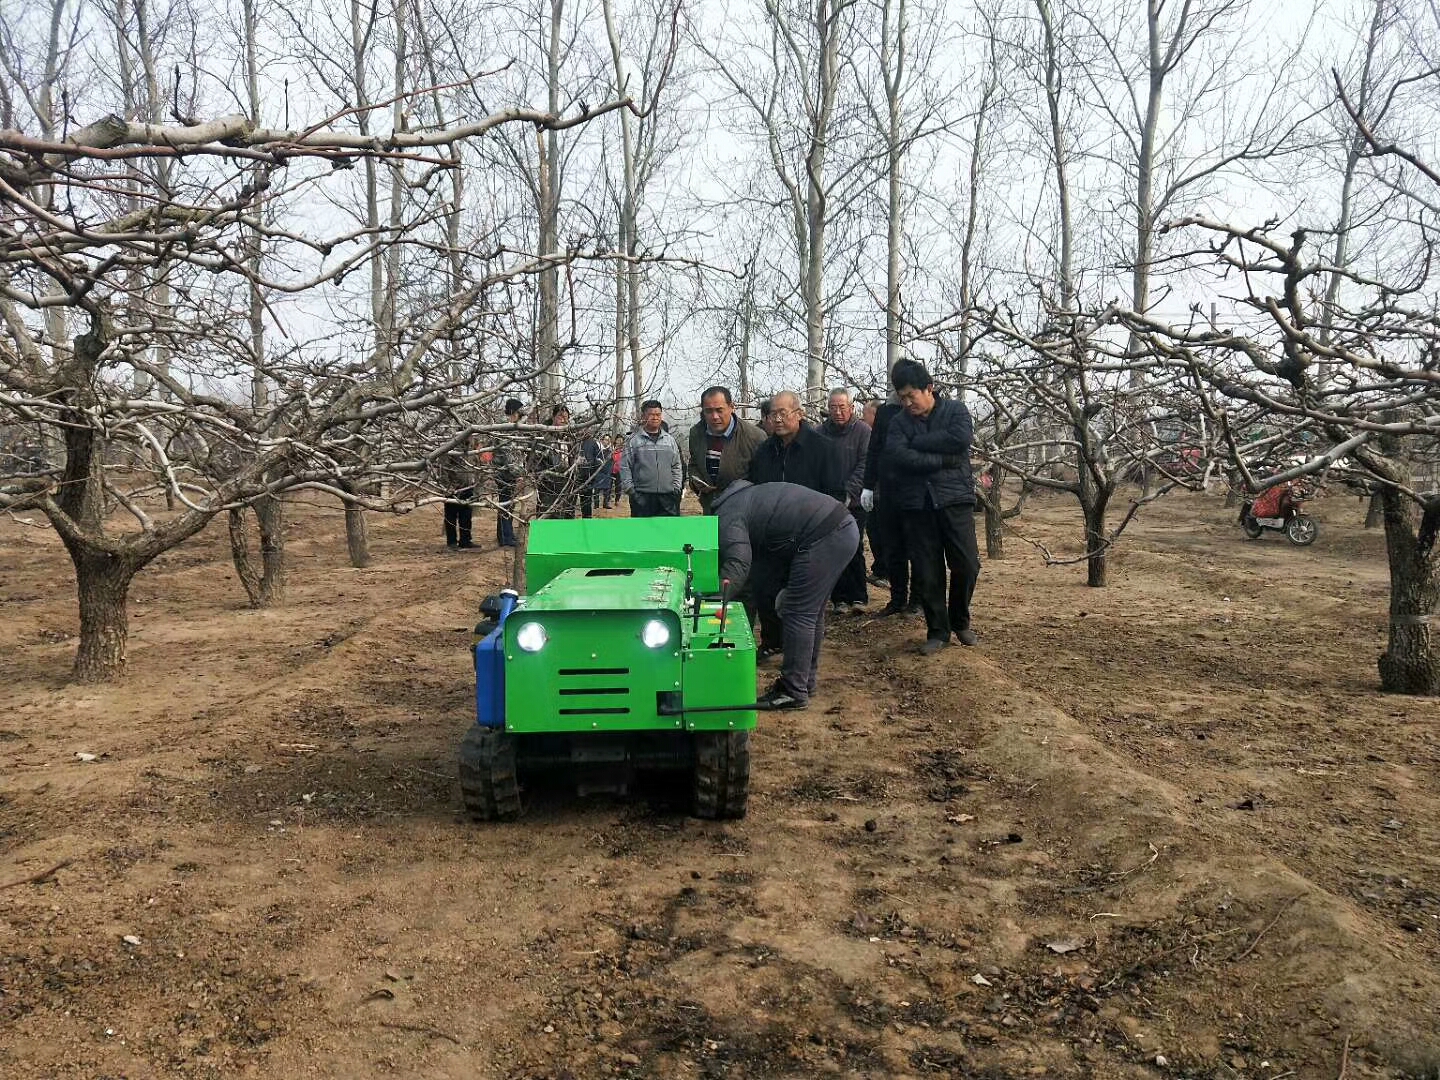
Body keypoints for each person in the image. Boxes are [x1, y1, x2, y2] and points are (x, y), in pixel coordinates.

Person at [714, 480, 858, 710]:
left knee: (798, 611)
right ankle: (804, 682)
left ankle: (792, 691)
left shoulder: (726, 516)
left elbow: (738, 564)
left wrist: (712, 598)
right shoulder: (748, 497)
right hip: (841, 526)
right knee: (811, 611)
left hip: (826, 534)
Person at [880, 359, 981, 654]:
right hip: (916, 505)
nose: (908, 402)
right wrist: (942, 458)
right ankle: (938, 630)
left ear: (929, 389)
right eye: (902, 397)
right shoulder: (899, 422)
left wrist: (918, 444)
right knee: (927, 571)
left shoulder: (955, 411)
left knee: (967, 564)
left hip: (954, 499)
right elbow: (898, 456)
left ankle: (959, 619)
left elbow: (960, 439)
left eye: (912, 395)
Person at [861, 392, 918, 617]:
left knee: (916, 549)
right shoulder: (885, 412)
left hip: (915, 491)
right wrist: (868, 484)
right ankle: (897, 599)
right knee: (893, 549)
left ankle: (917, 600)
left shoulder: (922, 410)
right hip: (888, 491)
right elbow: (874, 450)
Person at [821, 388, 871, 611]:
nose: (838, 411)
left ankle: (859, 596)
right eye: (833, 407)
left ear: (852, 408)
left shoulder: (863, 431)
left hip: (855, 502)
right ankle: (839, 598)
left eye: (842, 407)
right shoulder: (820, 432)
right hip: (827, 501)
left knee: (854, 546)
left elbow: (865, 464)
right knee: (832, 548)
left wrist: (849, 492)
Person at [747, 390, 843, 498]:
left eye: (783, 414)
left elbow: (835, 496)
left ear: (799, 414)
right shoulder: (764, 451)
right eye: (774, 414)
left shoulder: (824, 449)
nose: (778, 419)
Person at [687, 385, 766, 514]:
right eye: (709, 411)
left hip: (743, 510)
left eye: (719, 410)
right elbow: (694, 463)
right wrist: (695, 481)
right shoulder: (696, 433)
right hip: (710, 508)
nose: (715, 416)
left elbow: (763, 479)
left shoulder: (754, 437)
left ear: (732, 407)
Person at [620, 399, 684, 517]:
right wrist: (632, 491)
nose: (655, 418)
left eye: (658, 414)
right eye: (651, 414)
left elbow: (676, 466)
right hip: (641, 497)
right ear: (644, 416)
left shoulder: (669, 440)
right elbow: (625, 467)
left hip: (667, 497)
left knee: (667, 533)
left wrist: (676, 488)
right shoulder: (633, 440)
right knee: (643, 534)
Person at [536, 403, 576, 519]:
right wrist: (546, 480)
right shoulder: (544, 438)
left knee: (565, 521)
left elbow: (573, 459)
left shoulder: (571, 438)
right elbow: (535, 463)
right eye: (560, 417)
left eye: (566, 417)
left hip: (568, 487)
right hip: (549, 489)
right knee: (549, 520)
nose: (563, 420)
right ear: (553, 417)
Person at [493, 398, 523, 547]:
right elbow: (508, 455)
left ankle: (506, 535)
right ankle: (505, 537)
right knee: (506, 506)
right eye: (519, 412)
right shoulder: (504, 428)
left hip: (509, 474)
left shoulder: (511, 427)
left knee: (508, 506)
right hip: (504, 475)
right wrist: (519, 474)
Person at [439, 439, 476, 549]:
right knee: (451, 516)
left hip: (468, 488)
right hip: (453, 489)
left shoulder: (470, 448)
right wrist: (448, 486)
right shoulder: (450, 447)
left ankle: (465, 540)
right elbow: (443, 468)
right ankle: (452, 542)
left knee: (466, 516)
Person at [579, 430, 609, 518]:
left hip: (587, 477)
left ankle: (587, 522)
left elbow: (599, 459)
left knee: (586, 503)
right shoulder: (572, 440)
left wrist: (593, 465)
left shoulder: (592, 443)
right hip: (573, 477)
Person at [605, 436, 622, 509]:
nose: (619, 442)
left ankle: (617, 500)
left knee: (618, 486)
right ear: (615, 441)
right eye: (618, 440)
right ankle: (607, 501)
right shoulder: (611, 449)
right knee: (608, 486)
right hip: (611, 470)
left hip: (619, 470)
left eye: (621, 440)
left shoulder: (623, 450)